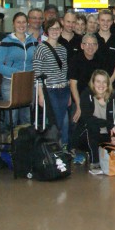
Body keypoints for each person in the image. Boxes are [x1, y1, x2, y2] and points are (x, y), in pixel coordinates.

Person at [0, 11, 35, 131]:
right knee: (12, 119)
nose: (21, 25)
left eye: (24, 22)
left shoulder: (32, 41)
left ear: (27, 24)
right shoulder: (7, 41)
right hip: (10, 83)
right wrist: (16, 73)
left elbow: (35, 61)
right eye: (18, 22)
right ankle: (9, 146)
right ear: (13, 24)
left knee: (26, 118)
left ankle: (24, 145)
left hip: (28, 84)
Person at [72, 69, 115, 172]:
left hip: (105, 134)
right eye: (98, 81)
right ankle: (95, 162)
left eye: (104, 82)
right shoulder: (86, 94)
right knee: (92, 126)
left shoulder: (113, 96)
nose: (101, 85)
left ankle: (99, 152)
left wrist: (114, 136)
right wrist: (109, 124)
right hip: (86, 135)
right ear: (93, 83)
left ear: (108, 84)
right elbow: (88, 119)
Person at [34, 18, 70, 148]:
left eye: (57, 28)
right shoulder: (41, 48)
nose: (55, 31)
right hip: (50, 90)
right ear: (47, 31)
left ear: (61, 30)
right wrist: (40, 94)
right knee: (56, 121)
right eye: (51, 28)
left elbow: (65, 71)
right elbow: (37, 73)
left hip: (63, 89)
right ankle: (55, 147)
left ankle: (64, 146)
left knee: (65, 121)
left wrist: (69, 92)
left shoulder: (63, 49)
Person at [68, 33, 110, 119]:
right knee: (77, 124)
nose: (90, 47)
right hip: (78, 100)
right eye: (87, 44)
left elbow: (105, 83)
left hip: (97, 99)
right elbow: (73, 85)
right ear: (82, 46)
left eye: (93, 44)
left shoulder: (102, 60)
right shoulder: (75, 60)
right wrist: (79, 106)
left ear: (97, 46)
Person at [95, 9, 115, 83]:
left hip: (113, 83)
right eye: (102, 20)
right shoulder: (92, 39)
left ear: (112, 22)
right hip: (95, 83)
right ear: (98, 21)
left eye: (108, 20)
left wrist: (111, 80)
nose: (105, 23)